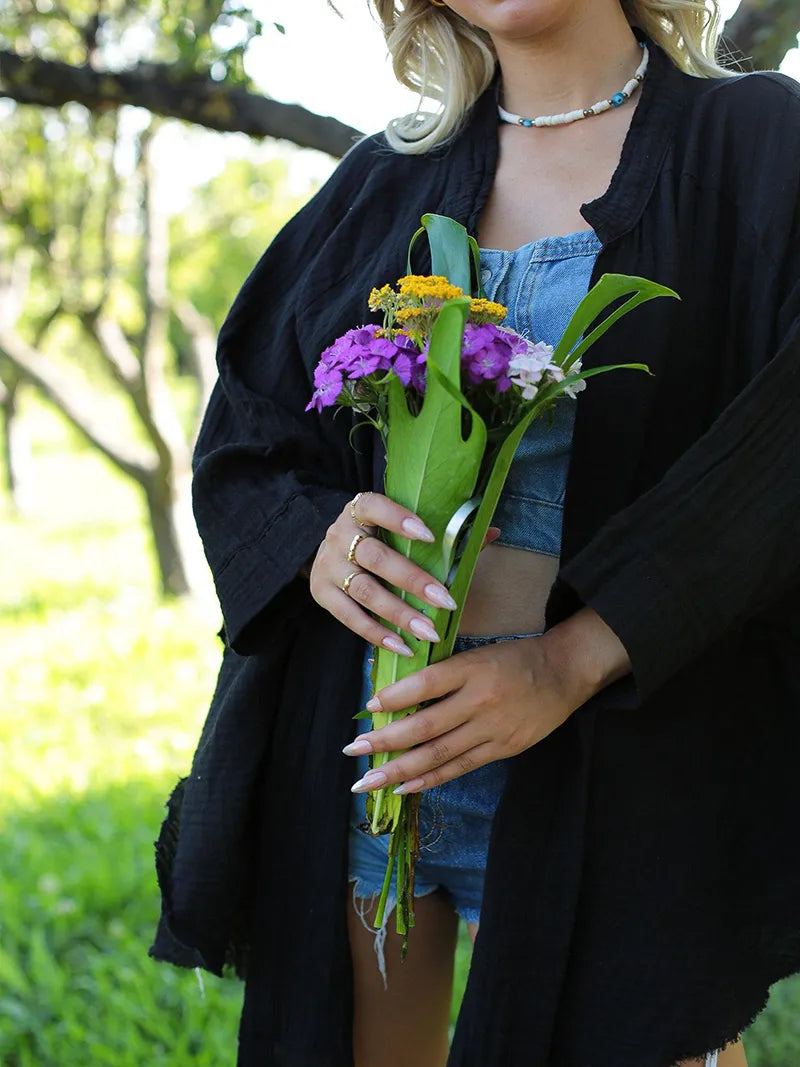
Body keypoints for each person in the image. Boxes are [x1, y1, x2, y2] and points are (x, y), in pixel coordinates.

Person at [150, 2, 800, 1066]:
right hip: (377, 756)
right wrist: (319, 538)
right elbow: (247, 433)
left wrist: (570, 658)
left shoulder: (756, 143)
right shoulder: (382, 179)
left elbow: (779, 456)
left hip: (623, 769)